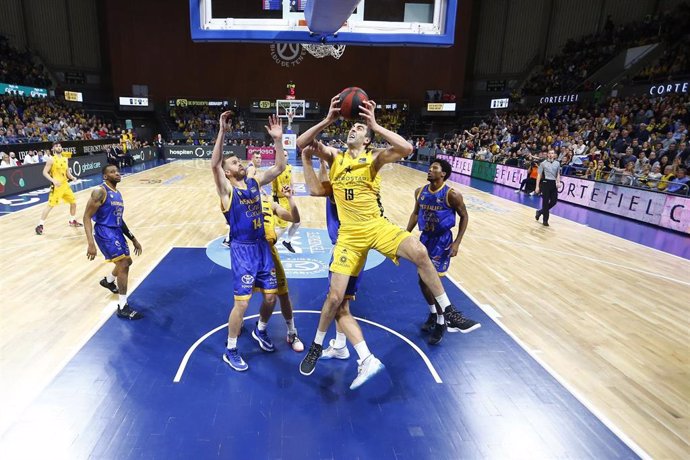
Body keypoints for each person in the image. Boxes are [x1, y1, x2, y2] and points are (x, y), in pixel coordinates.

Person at [296, 95, 466, 389]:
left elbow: (406, 148)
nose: (354, 130)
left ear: (367, 140)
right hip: (348, 234)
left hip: (375, 225)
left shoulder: (374, 158)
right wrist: (329, 119)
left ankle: (447, 310)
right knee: (335, 299)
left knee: (419, 251)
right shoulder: (335, 157)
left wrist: (374, 123)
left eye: (360, 130)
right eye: (354, 127)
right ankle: (318, 346)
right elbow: (302, 144)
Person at [212, 111, 287, 372]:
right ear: (228, 172)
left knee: (270, 298)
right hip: (243, 250)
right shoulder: (227, 190)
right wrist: (222, 131)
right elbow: (214, 164)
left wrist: (278, 140)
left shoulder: (254, 182)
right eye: (234, 162)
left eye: (238, 160)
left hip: (262, 247)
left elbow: (279, 168)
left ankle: (261, 330)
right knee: (242, 303)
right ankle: (231, 349)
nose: (239, 163)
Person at [301, 147, 365, 361]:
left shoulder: (342, 185)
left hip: (346, 245)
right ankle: (340, 345)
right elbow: (324, 185)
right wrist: (322, 164)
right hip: (353, 245)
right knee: (342, 301)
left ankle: (360, 355)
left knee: (335, 300)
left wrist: (309, 159)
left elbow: (317, 189)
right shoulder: (349, 181)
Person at [406, 159, 480, 334]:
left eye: (434, 168)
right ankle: (433, 313)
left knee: (433, 281)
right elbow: (416, 214)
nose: (430, 170)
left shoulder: (452, 195)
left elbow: (465, 216)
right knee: (422, 280)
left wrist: (457, 242)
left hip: (442, 241)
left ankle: (441, 321)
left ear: (443, 174)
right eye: (430, 167)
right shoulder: (420, 192)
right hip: (425, 238)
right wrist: (406, 233)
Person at [83, 164, 143, 320]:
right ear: (105, 176)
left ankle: (108, 281)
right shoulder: (100, 191)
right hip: (104, 231)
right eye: (112, 172)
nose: (117, 173)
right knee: (123, 263)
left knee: (127, 262)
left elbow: (120, 220)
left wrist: (133, 238)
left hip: (116, 231)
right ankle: (123, 307)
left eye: (117, 171)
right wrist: (91, 243)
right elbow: (86, 217)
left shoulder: (118, 194)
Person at [259, 186, 304, 352]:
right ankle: (240, 329)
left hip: (269, 252)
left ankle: (291, 332)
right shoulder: (239, 200)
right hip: (249, 253)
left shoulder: (268, 201)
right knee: (243, 299)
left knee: (282, 294)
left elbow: (294, 218)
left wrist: (290, 198)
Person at [35, 142, 83, 235]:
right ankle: (40, 225)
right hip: (57, 187)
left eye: (60, 146)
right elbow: (44, 172)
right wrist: (53, 180)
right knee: (50, 205)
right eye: (56, 146)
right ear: (53, 149)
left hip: (65, 185)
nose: (58, 147)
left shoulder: (65, 159)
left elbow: (67, 173)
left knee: (73, 203)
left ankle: (72, 221)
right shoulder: (51, 160)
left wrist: (72, 177)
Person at [272, 150, 300, 253]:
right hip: (279, 200)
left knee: (297, 222)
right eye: (281, 155)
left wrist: (293, 187)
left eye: (285, 155)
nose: (284, 157)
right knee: (282, 228)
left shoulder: (289, 167)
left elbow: (291, 180)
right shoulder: (275, 170)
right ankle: (269, 246)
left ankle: (287, 242)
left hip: (287, 199)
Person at [535, 149, 561, 227]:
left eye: (552, 153)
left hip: (553, 183)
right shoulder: (543, 163)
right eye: (549, 153)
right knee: (545, 202)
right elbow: (539, 175)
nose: (550, 154)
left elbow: (558, 174)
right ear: (547, 155)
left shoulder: (557, 163)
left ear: (554, 155)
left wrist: (558, 182)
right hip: (545, 183)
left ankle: (540, 212)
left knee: (554, 201)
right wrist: (537, 186)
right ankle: (545, 220)